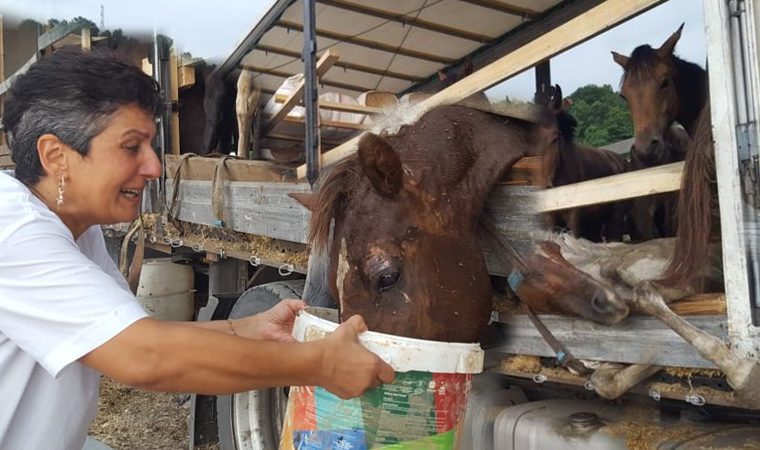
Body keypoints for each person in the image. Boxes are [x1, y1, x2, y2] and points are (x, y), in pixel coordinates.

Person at [0, 49, 395, 450]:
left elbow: (128, 335)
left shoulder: (74, 226)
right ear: (56, 156)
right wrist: (322, 365)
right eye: (131, 146)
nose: (155, 167)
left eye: (151, 145)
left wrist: (248, 328)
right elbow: (143, 357)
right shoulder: (14, 230)